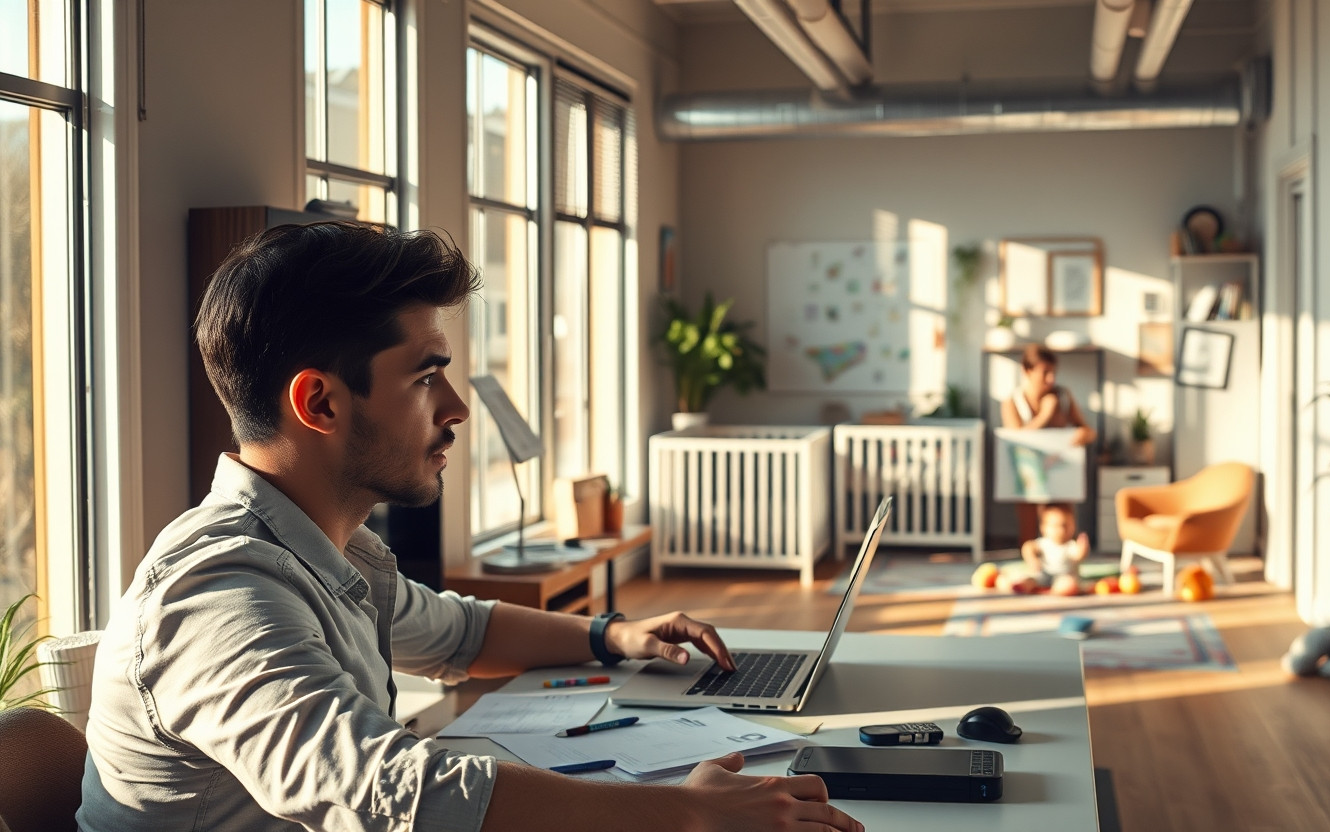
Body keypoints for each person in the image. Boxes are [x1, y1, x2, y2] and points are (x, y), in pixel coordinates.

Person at [79, 222, 864, 832]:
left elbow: (462, 633)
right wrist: (687, 816)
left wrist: (614, 636)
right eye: (425, 378)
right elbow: (383, 792)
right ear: (319, 403)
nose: (456, 409)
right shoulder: (218, 592)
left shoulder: (336, 551)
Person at [1000, 344, 1096, 550]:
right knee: (1028, 528)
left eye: (1053, 373)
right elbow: (1016, 440)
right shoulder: (1011, 403)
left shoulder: (1063, 395)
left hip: (1060, 472)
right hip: (1027, 479)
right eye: (1045, 373)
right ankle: (1032, 569)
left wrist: (1082, 434)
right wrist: (1045, 414)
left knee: (1061, 525)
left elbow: (1089, 431)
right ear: (1027, 371)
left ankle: (1065, 566)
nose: (1051, 379)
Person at [1006, 504, 1090, 596]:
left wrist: (1083, 548)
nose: (1061, 530)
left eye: (1065, 525)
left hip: (1062, 577)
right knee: (1029, 579)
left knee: (1068, 583)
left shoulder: (1070, 545)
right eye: (1055, 526)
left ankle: (1058, 590)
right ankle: (1023, 586)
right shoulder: (1044, 543)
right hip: (1043, 575)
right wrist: (1032, 560)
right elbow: (1028, 547)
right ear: (1043, 528)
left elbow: (1078, 555)